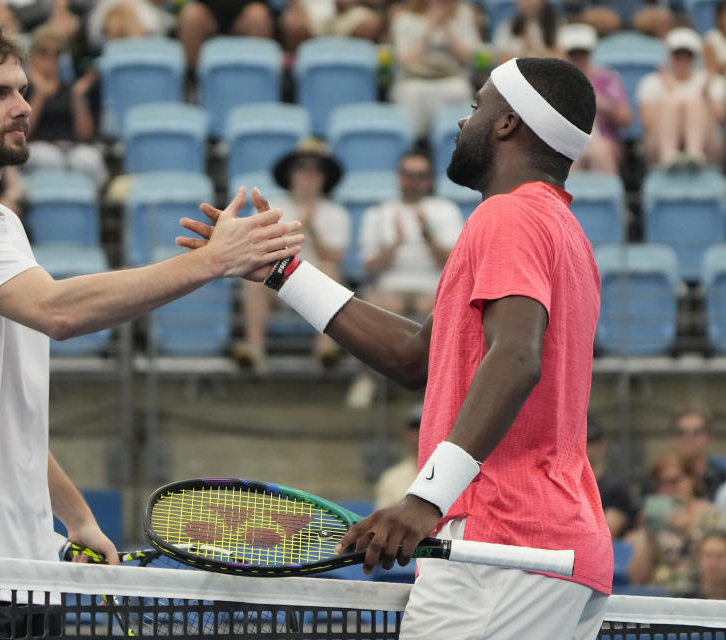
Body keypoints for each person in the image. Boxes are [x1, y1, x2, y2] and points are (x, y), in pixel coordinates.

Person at [0, 24, 303, 633]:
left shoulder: (6, 226)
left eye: (22, 90)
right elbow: (59, 311)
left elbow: (9, 414)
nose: (22, 106)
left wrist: (75, 519)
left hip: (26, 571)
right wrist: (211, 261)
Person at [181, 56, 611, 638]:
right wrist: (283, 272)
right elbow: (415, 357)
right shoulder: (563, 232)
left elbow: (515, 358)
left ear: (507, 124)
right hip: (555, 551)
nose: (464, 123)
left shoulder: (507, 215)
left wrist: (425, 500)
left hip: (501, 545)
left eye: (477, 106)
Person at [345, 150, 463, 408]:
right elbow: (368, 268)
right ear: (398, 177)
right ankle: (365, 379)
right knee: (373, 306)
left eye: (420, 175)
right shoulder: (378, 213)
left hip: (433, 286)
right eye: (407, 174)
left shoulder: (445, 210)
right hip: (389, 286)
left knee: (441, 308)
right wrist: (395, 245)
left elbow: (456, 265)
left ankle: (445, 385)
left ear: (430, 180)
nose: (413, 180)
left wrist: (428, 235)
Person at [232, 138, 350, 373]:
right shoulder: (272, 208)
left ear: (324, 177)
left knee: (329, 269)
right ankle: (254, 348)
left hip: (318, 286)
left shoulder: (336, 212)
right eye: (302, 168)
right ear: (290, 174)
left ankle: (325, 349)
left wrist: (312, 227)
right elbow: (259, 250)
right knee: (254, 282)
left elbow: (335, 257)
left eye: (316, 170)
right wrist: (295, 231)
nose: (308, 175)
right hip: (276, 281)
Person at [23, 25, 107, 188]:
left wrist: (78, 98)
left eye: (56, 53)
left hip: (71, 147)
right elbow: (24, 133)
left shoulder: (71, 88)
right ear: (32, 56)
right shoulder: (23, 88)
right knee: (48, 159)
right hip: (39, 146)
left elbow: (85, 135)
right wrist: (39, 94)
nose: (51, 58)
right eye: (44, 52)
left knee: (90, 159)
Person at [626, 450, 720, 596]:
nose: (669, 489)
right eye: (662, 483)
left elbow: (716, 570)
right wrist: (648, 537)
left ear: (692, 480)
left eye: (675, 481)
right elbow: (636, 579)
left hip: (699, 598)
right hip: (658, 599)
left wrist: (688, 530)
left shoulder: (711, 516)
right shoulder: (656, 520)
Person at [636, 27, 726, 171]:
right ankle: (669, 156)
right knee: (672, 102)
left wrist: (705, 94)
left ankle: (694, 154)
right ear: (669, 55)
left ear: (695, 57)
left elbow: (719, 120)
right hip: (658, 145)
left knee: (695, 100)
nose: (683, 59)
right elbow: (648, 125)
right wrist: (670, 93)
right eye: (677, 54)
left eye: (688, 54)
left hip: (708, 146)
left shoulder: (712, 82)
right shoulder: (652, 82)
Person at [388, 0, 480, 139]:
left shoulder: (463, 14)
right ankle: (416, 144)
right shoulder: (404, 18)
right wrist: (429, 31)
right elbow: (404, 62)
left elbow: (469, 58)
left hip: (451, 76)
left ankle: (456, 141)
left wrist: (448, 30)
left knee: (459, 90)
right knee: (412, 93)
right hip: (415, 77)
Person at [557, 23, 630, 175]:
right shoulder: (557, 81)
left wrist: (604, 106)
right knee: (571, 153)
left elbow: (625, 119)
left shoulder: (607, 78)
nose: (579, 59)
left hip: (603, 141)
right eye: (574, 54)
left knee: (599, 150)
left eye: (583, 53)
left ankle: (607, 197)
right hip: (566, 142)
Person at [176, 1, 275, 71]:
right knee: (191, 16)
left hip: (247, 9)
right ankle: (192, 79)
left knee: (258, 16)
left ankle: (256, 77)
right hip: (209, 10)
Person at [586, 419, 637, 539]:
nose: (585, 447)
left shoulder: (615, 489)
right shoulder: (571, 487)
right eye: (580, 440)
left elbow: (606, 532)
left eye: (590, 441)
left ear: (601, 445)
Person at [671, 407, 726, 503]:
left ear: (709, 437)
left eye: (697, 432)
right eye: (682, 432)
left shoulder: (722, 473)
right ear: (673, 438)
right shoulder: (662, 476)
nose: (689, 438)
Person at [374, 403, 423, 509]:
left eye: (427, 425)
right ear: (406, 433)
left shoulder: (453, 475)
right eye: (415, 427)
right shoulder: (391, 478)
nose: (420, 432)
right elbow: (382, 522)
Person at [493, 0, 561, 62]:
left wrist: (533, 47)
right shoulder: (507, 26)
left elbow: (562, 59)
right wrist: (523, 52)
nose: (528, 3)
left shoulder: (556, 25)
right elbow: (501, 59)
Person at [689, 530, 726, 599]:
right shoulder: (684, 600)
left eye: (720, 556)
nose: (714, 563)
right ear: (698, 559)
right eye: (708, 555)